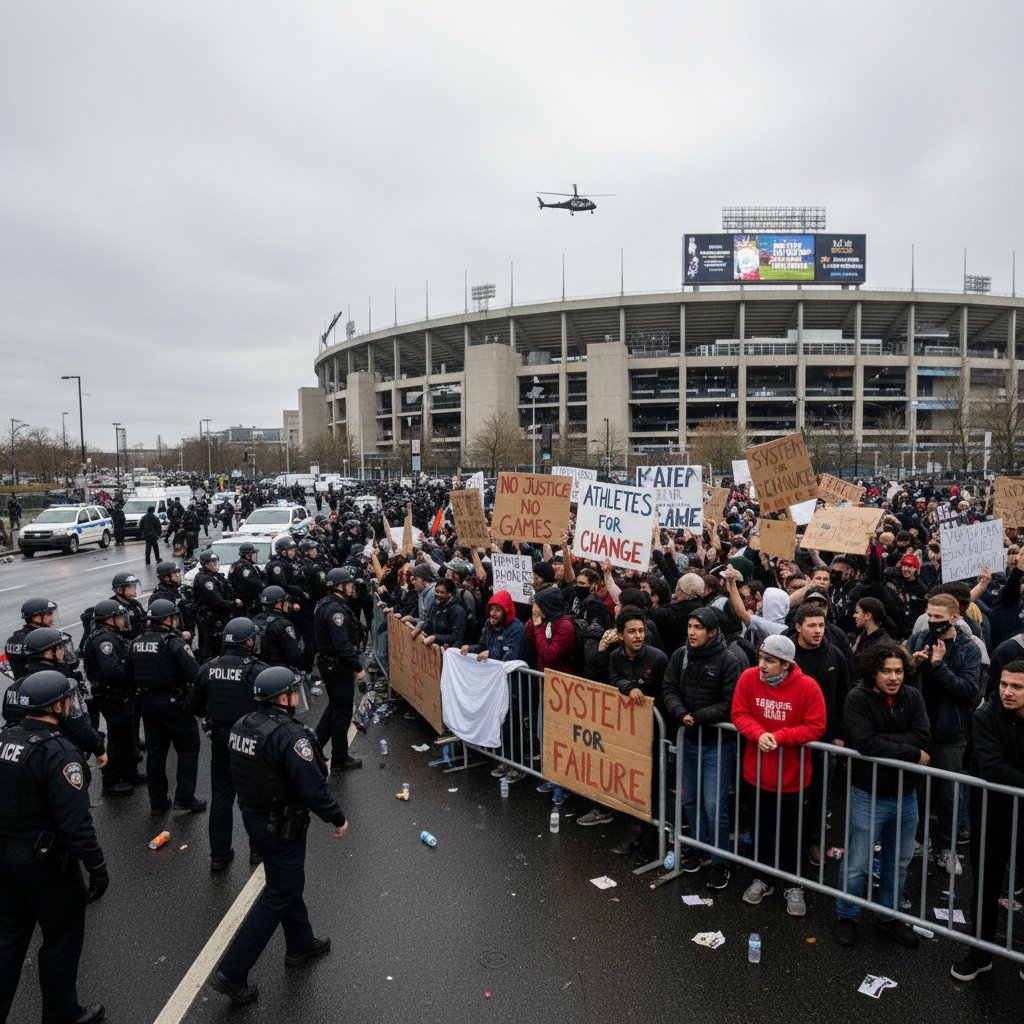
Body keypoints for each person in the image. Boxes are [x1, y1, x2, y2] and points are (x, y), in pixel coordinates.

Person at [210, 666, 348, 1006]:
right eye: (292, 692)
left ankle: (300, 943)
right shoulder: (289, 735)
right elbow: (313, 784)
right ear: (281, 698)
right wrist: (337, 817)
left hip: (256, 819)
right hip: (282, 823)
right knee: (278, 894)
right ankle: (232, 972)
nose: (296, 698)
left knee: (284, 885)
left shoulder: (244, 724)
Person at [0, 670, 108, 1024]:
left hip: (6, 855)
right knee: (61, 940)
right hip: (45, 862)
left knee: (9, 940)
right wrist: (95, 865)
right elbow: (75, 824)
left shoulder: (5, 740)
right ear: (57, 705)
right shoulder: (59, 752)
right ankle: (62, 1014)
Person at [833, 643, 930, 949]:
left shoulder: (913, 696)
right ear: (873, 671)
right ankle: (847, 915)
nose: (893, 677)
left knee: (898, 863)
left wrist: (892, 743)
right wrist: (912, 751)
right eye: (886, 671)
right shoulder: (858, 698)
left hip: (905, 795)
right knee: (858, 863)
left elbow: (924, 735)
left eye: (899, 671)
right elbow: (865, 742)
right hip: (867, 794)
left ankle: (889, 916)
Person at [731, 634, 826, 917]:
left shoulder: (807, 687)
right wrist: (759, 734)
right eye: (761, 658)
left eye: (769, 661)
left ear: (786, 665)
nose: (762, 665)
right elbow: (739, 714)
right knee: (761, 830)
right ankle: (763, 878)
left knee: (792, 834)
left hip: (793, 779)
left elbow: (816, 726)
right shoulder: (748, 678)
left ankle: (792, 884)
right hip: (756, 775)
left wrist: (780, 737)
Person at [950, 661, 1024, 982]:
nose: (1007, 692)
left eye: (1017, 687)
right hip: (992, 813)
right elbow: (991, 767)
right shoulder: (986, 715)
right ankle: (980, 953)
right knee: (985, 885)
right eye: (1004, 684)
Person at [662, 607, 742, 886]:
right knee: (691, 800)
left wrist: (698, 717)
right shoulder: (680, 655)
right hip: (689, 742)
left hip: (716, 746)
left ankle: (720, 860)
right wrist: (680, 711)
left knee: (713, 805)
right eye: (690, 625)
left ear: (713, 632)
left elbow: (731, 703)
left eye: (698, 627)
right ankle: (697, 848)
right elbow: (669, 688)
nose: (691, 632)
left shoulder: (728, 661)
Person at [906, 594, 981, 876]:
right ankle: (917, 841)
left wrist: (940, 668)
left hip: (950, 733)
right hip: (920, 729)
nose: (933, 622)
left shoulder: (968, 649)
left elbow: (968, 691)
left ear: (955, 617)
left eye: (939, 617)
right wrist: (912, 665)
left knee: (949, 794)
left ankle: (948, 849)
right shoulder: (919, 639)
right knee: (918, 789)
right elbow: (904, 681)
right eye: (930, 616)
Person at [187, 618, 268, 872]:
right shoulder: (256, 670)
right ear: (249, 642)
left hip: (221, 738)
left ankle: (219, 855)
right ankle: (257, 850)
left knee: (221, 796)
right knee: (254, 796)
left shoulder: (208, 667)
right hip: (250, 739)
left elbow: (195, 707)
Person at [129, 598, 206, 816]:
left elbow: (128, 674)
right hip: (174, 703)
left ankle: (158, 801)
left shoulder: (136, 642)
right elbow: (195, 675)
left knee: (156, 753)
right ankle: (184, 797)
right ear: (168, 619)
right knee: (188, 749)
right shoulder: (174, 643)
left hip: (147, 703)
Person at [81, 599, 143, 796]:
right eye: (119, 617)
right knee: (117, 739)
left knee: (127, 737)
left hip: (120, 695)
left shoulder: (111, 635)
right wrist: (132, 670)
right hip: (113, 696)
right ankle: (111, 781)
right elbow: (112, 671)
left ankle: (130, 773)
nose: (123, 621)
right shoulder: (104, 640)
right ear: (109, 619)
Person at [313, 568, 365, 773]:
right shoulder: (336, 610)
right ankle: (340, 757)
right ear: (339, 587)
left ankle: (315, 747)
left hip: (330, 664)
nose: (352, 587)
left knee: (334, 707)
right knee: (342, 712)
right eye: (348, 584)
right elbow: (342, 644)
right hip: (338, 667)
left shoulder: (326, 603)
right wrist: (358, 667)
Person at [193, 550, 242, 661]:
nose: (214, 565)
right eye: (211, 562)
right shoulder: (205, 580)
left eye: (215, 562)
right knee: (213, 648)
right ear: (205, 564)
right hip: (211, 619)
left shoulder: (215, 576)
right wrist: (234, 604)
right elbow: (218, 601)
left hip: (218, 617)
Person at [4, 596, 58, 679]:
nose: (52, 619)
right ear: (37, 618)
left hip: (21, 685)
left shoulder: (12, 639)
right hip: (43, 684)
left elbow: (5, 663)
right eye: (49, 614)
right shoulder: (41, 640)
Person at [252, 586, 304, 671]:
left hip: (257, 670)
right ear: (279, 604)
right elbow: (294, 656)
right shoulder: (283, 625)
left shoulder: (253, 620)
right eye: (286, 602)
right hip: (278, 672)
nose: (288, 605)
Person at [228, 542, 265, 616]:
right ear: (248, 556)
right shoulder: (244, 567)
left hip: (242, 602)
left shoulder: (235, 564)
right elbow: (254, 584)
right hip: (247, 604)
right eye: (254, 554)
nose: (256, 556)